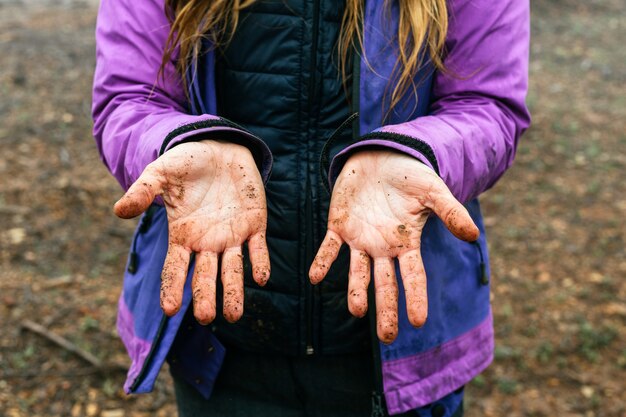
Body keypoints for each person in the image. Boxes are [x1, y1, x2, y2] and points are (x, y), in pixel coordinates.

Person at [92, 0, 530, 415]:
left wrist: (418, 152)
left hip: (404, 343)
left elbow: (487, 106)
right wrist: (181, 141)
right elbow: (129, 98)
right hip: (221, 350)